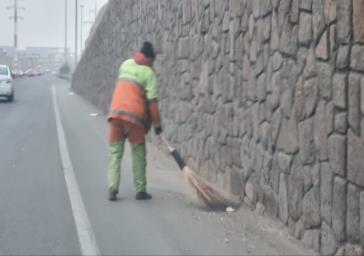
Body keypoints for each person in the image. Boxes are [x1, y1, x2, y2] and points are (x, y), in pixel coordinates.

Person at [107, 41, 162, 201]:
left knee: (115, 153)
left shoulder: (125, 64)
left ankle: (113, 186)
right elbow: (152, 103)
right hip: (134, 119)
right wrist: (157, 125)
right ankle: (140, 190)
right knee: (138, 153)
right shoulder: (149, 73)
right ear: (150, 59)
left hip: (115, 114)